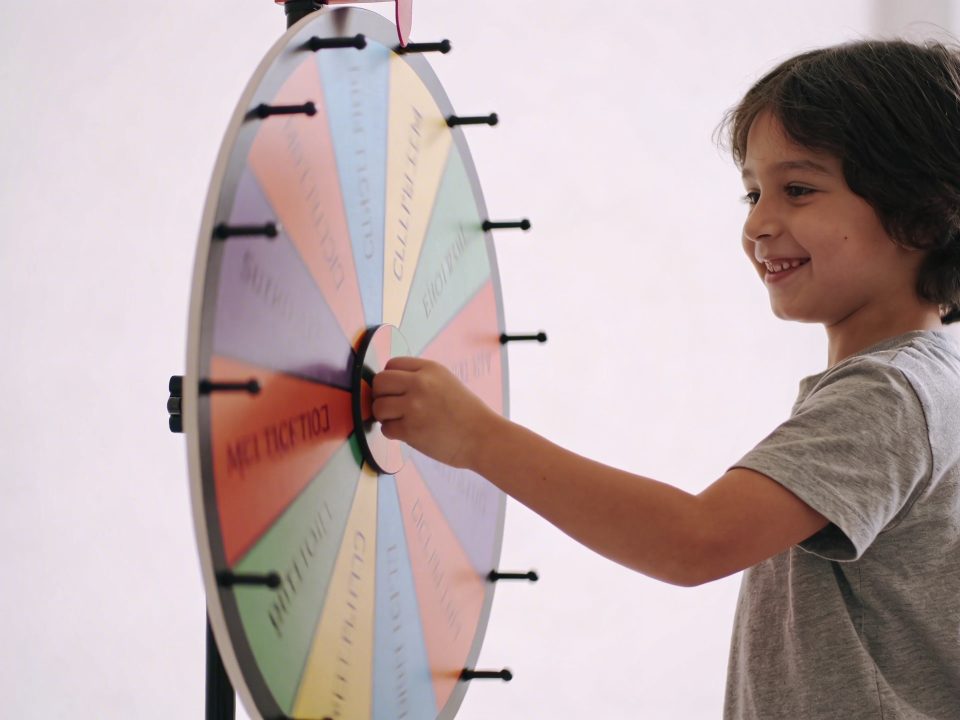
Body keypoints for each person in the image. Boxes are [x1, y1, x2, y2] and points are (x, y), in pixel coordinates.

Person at [372, 39, 960, 719]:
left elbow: (696, 541)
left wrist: (476, 438)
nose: (758, 224)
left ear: (921, 213)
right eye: (752, 193)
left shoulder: (888, 394)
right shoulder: (920, 383)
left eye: (798, 190)